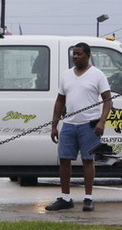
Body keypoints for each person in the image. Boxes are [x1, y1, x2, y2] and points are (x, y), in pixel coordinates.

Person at [46, 42, 112, 212]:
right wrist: (55, 125)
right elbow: (60, 100)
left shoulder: (97, 75)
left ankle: (88, 198)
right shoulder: (66, 75)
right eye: (74, 54)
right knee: (65, 160)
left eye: (79, 54)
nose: (75, 56)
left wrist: (101, 122)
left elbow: (107, 100)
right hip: (69, 124)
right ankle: (66, 198)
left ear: (87, 55)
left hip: (89, 125)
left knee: (88, 160)